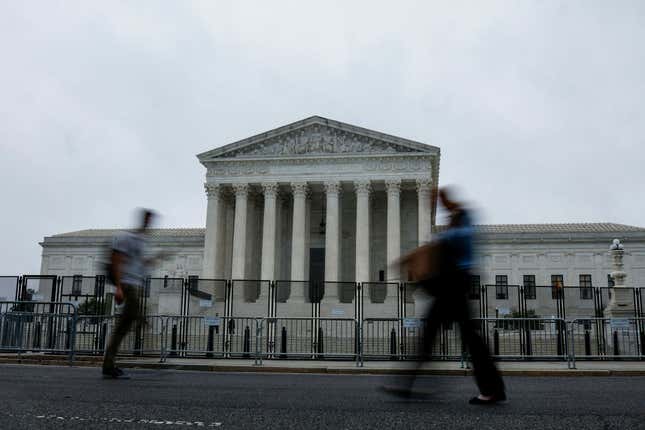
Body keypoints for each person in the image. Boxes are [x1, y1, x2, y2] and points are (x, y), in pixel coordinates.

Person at [384, 187, 506, 404]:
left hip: (456, 284)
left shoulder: (464, 217)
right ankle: (407, 383)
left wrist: (428, 249)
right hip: (448, 286)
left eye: (441, 199)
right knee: (432, 335)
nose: (439, 204)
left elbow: (460, 241)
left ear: (448, 200)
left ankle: (492, 389)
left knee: (469, 339)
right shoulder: (454, 221)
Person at [102, 209, 156, 379]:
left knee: (124, 325)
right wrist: (118, 287)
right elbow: (116, 261)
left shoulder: (141, 241)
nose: (150, 224)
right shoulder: (126, 238)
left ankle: (109, 364)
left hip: (134, 285)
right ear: (143, 220)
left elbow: (138, 264)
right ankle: (109, 365)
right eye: (149, 220)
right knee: (126, 324)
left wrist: (153, 260)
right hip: (127, 285)